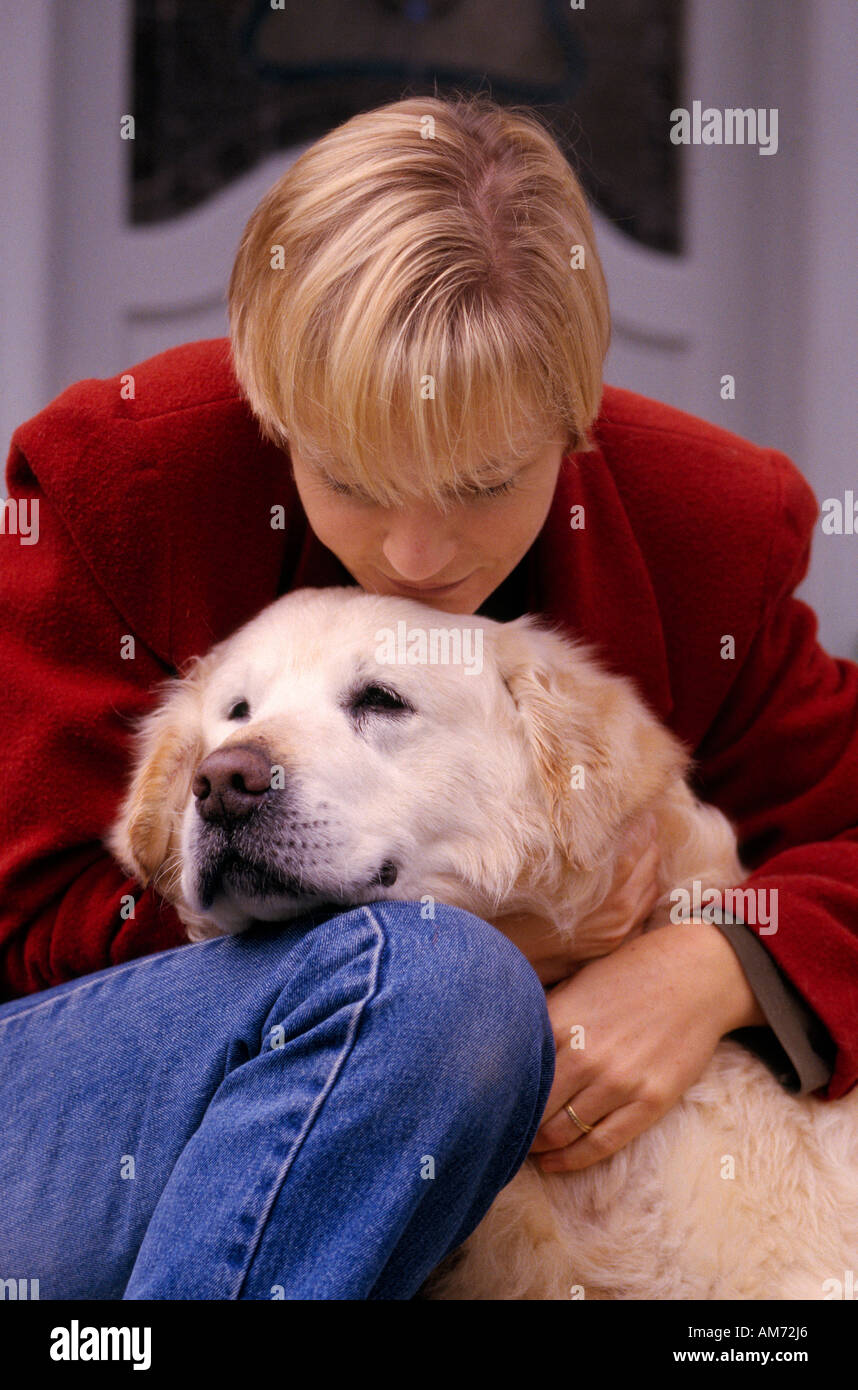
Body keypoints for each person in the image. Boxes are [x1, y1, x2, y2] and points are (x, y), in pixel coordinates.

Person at [1, 94, 855, 1300]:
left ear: (575, 422)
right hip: (54, 1111)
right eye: (347, 477)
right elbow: (29, 923)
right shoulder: (119, 484)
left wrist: (713, 962)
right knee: (448, 986)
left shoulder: (702, 529)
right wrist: (500, 943)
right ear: (268, 408)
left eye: (483, 481)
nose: (412, 552)